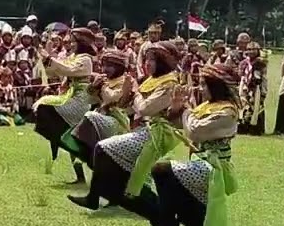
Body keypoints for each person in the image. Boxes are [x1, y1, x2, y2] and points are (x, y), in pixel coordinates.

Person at [145, 62, 242, 226]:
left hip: (213, 170)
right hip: (199, 166)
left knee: (162, 170)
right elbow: (179, 123)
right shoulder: (208, 106)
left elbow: (196, 131)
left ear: (216, 87)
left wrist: (186, 111)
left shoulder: (227, 112)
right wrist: (176, 108)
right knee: (197, 217)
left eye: (204, 85)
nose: (201, 89)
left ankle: (167, 220)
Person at [69, 41, 184, 215]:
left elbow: (144, 109)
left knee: (103, 148)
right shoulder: (151, 81)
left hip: (159, 134)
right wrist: (122, 91)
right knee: (108, 154)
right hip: (144, 130)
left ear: (162, 61)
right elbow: (125, 106)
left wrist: (133, 92)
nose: (147, 63)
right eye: (146, 59)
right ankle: (101, 195)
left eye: (152, 60)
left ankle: (99, 195)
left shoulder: (169, 84)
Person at [33, 27, 99, 183]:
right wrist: (43, 54)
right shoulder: (74, 56)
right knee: (70, 139)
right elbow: (55, 72)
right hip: (70, 96)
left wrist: (49, 58)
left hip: (80, 101)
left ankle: (55, 138)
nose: (71, 44)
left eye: (74, 42)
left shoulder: (85, 59)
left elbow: (68, 70)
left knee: (45, 108)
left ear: (82, 43)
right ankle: (80, 177)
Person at [66, 49, 134, 164]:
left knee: (91, 116)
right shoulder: (105, 81)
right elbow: (89, 100)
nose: (105, 69)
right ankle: (81, 160)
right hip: (102, 117)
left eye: (109, 66)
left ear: (119, 67)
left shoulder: (125, 81)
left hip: (118, 122)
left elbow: (112, 98)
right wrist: (93, 86)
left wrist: (103, 86)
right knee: (72, 134)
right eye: (104, 65)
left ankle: (89, 154)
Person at [237, 41, 268, 135]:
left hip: (257, 87)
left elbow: (264, 77)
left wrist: (264, 90)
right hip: (245, 86)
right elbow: (240, 75)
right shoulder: (244, 63)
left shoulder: (261, 63)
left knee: (257, 106)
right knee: (244, 106)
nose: (251, 51)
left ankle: (255, 128)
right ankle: (243, 126)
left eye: (254, 49)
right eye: (249, 49)